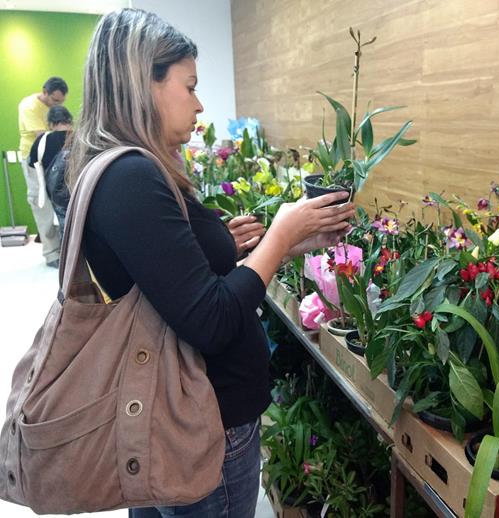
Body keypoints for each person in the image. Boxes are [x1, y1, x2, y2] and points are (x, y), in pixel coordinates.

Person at [67, 9, 354, 518]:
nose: (200, 105)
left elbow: (167, 279)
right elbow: (212, 320)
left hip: (177, 420)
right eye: (190, 85)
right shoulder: (131, 177)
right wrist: (282, 231)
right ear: (145, 84)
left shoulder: (132, 169)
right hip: (200, 428)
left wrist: (278, 246)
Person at [18, 76, 68, 267]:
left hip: (55, 159)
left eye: (61, 102)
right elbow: (44, 136)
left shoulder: (52, 106)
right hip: (35, 161)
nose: (57, 105)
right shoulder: (29, 106)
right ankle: (51, 253)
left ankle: (64, 248)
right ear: (44, 92)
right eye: (55, 101)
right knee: (42, 205)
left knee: (61, 202)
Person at [29, 105, 73, 242]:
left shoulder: (41, 141)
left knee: (61, 224)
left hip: (54, 193)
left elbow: (33, 164)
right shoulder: (81, 137)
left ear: (51, 123)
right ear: (69, 120)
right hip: (80, 188)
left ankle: (62, 256)